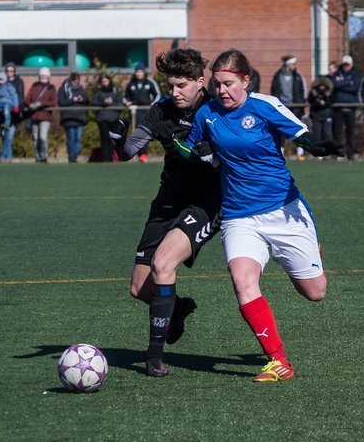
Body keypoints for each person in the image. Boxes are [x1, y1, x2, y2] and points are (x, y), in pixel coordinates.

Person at [184, 49, 340, 382]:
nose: (222, 91)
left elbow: (301, 134)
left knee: (315, 293)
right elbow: (190, 147)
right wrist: (197, 153)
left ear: (246, 80)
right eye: (217, 85)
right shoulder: (207, 113)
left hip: (284, 212)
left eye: (228, 84)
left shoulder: (264, 105)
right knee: (243, 282)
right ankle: (278, 361)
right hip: (239, 216)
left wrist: (318, 147)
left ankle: (312, 252)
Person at [109, 48, 223, 377]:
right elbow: (132, 150)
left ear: (201, 83)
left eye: (181, 86)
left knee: (163, 264)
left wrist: (212, 160)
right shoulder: (161, 110)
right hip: (167, 201)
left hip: (206, 202)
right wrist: (119, 142)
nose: (174, 92)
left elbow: (239, 159)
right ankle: (179, 308)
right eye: (170, 85)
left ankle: (154, 356)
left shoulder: (217, 109)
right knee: (139, 288)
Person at [270, 55, 308, 159]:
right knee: (280, 131)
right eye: (293, 64)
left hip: (295, 107)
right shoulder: (278, 75)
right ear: (288, 64)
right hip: (281, 107)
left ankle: (300, 152)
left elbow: (303, 90)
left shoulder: (298, 75)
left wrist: (301, 104)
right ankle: (280, 152)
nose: (295, 66)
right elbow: (273, 90)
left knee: (297, 130)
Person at [125, 63, 160, 162]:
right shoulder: (131, 84)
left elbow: (157, 95)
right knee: (135, 132)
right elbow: (125, 97)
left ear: (144, 72)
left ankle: (144, 154)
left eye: (140, 71)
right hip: (134, 112)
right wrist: (127, 102)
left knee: (144, 132)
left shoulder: (150, 83)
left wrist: (154, 103)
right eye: (137, 71)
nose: (138, 73)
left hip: (146, 111)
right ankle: (135, 153)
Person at [330, 54, 361, 160]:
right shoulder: (337, 73)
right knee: (337, 133)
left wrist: (341, 84)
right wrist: (348, 83)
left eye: (347, 64)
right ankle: (336, 154)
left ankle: (350, 154)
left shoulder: (356, 74)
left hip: (351, 108)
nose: (346, 66)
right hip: (338, 108)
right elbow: (335, 85)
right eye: (344, 64)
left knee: (350, 133)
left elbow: (355, 88)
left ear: (351, 64)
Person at [24, 67, 57, 163]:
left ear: (48, 77)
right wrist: (29, 105)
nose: (43, 77)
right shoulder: (34, 86)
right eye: (41, 76)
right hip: (34, 115)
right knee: (35, 138)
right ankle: (37, 156)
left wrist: (40, 104)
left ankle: (44, 156)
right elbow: (26, 99)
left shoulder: (51, 88)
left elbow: (53, 102)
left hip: (45, 116)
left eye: (45, 76)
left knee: (42, 137)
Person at [57, 71, 89, 162]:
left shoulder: (81, 89)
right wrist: (72, 100)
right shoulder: (63, 89)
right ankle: (71, 156)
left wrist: (81, 99)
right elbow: (61, 102)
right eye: (73, 81)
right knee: (71, 138)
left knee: (78, 138)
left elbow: (86, 100)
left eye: (76, 81)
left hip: (79, 118)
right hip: (68, 118)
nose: (75, 82)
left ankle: (74, 156)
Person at [91, 73, 123, 162]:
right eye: (102, 81)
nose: (104, 83)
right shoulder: (98, 91)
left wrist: (114, 106)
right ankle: (106, 159)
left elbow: (120, 103)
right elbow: (93, 103)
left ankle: (112, 158)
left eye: (106, 81)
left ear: (109, 80)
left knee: (112, 140)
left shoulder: (115, 90)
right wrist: (103, 103)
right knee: (105, 139)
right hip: (102, 119)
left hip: (113, 118)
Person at [308, 73, 335, 149]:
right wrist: (318, 103)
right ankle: (318, 150)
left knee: (326, 133)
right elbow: (310, 101)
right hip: (316, 115)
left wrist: (325, 103)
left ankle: (327, 150)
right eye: (320, 86)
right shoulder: (313, 93)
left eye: (323, 86)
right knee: (317, 134)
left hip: (327, 115)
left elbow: (332, 101)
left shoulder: (329, 94)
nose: (322, 87)